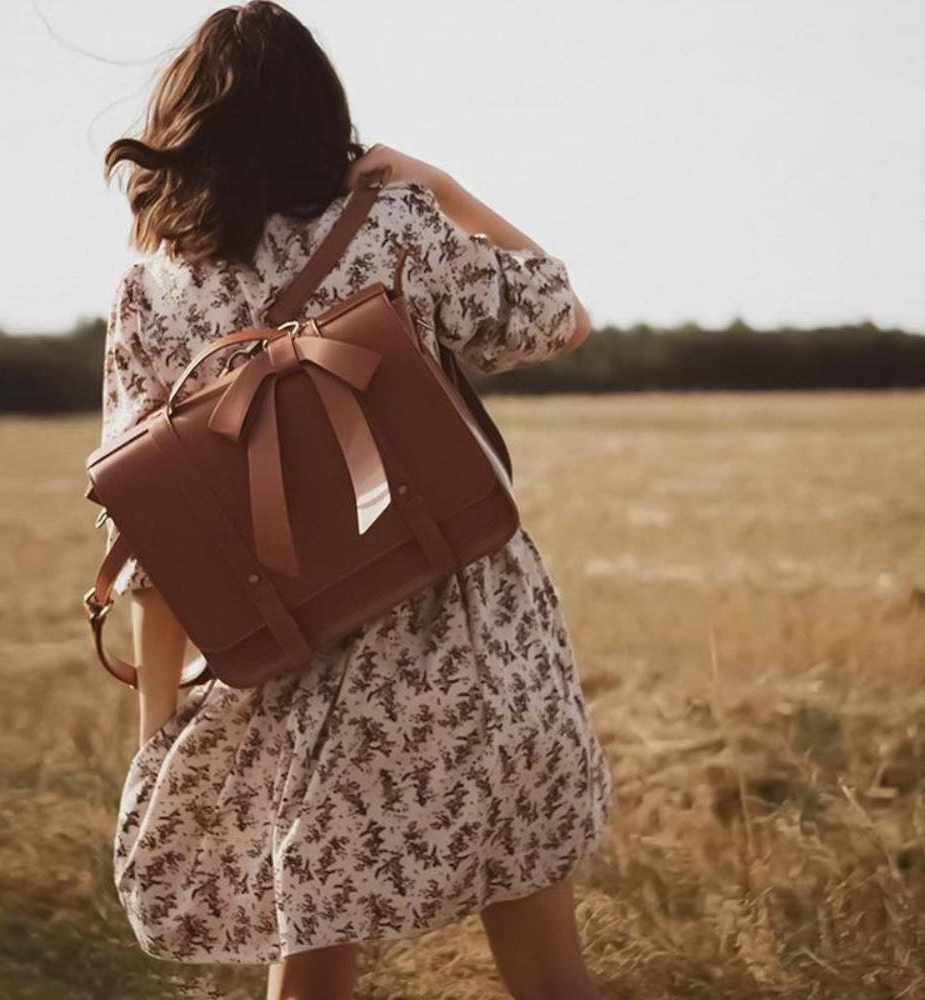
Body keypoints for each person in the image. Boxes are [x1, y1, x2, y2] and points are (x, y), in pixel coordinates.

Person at [99, 4, 614, 998]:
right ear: (320, 118)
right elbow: (565, 314)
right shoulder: (397, 227)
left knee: (310, 955)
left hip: (298, 661)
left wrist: (159, 740)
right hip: (473, 637)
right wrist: (443, 186)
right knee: (547, 960)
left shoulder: (151, 293)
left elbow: (146, 539)